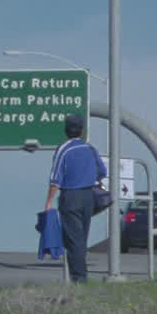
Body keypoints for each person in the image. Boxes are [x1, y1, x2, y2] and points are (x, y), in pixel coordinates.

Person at [44, 114, 108, 282]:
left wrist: (49, 202)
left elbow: (55, 179)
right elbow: (103, 172)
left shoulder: (63, 149)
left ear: (66, 130)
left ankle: (79, 279)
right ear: (81, 130)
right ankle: (80, 276)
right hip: (89, 197)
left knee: (74, 241)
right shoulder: (90, 149)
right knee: (82, 238)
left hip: (70, 196)